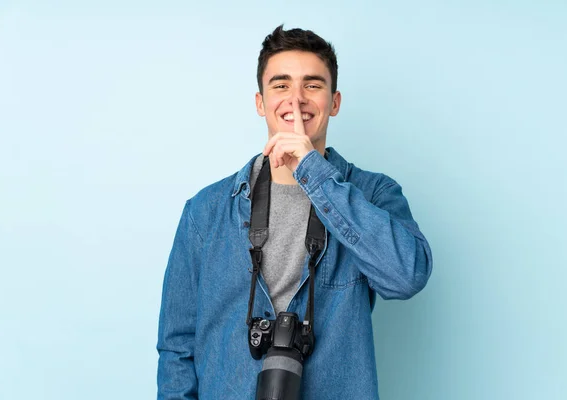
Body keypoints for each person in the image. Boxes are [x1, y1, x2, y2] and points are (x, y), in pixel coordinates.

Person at [156, 25, 433, 400]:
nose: (296, 99)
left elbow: (407, 277)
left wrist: (312, 171)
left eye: (313, 85)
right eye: (281, 85)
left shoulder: (374, 194)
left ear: (334, 102)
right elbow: (177, 347)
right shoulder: (205, 211)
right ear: (260, 102)